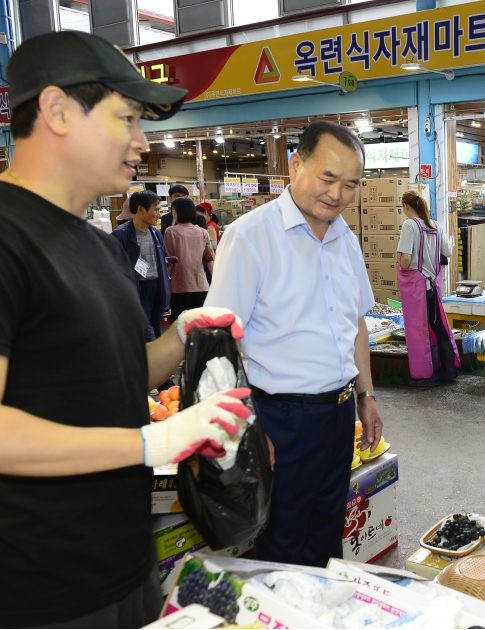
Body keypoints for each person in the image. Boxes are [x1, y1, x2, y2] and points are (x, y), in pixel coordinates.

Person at [0, 30, 251, 628]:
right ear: (57, 110)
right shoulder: (7, 239)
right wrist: (149, 444)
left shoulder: (95, 245)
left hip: (122, 568)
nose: (142, 142)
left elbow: (111, 376)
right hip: (37, 592)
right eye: (128, 118)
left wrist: (179, 338)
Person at [206, 121, 384, 568]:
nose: (338, 194)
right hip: (281, 420)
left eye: (350, 185)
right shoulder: (250, 237)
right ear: (295, 164)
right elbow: (216, 342)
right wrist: (247, 426)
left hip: (339, 413)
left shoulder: (344, 237)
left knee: (327, 531)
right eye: (328, 179)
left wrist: (366, 395)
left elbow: (356, 323)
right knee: (283, 540)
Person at [396, 190, 459, 386]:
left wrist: (406, 267)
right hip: (433, 284)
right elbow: (448, 251)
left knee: (419, 330)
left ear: (406, 207)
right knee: (438, 326)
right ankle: (448, 370)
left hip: (416, 287)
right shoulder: (436, 225)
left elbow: (405, 259)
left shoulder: (410, 225)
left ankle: (426, 375)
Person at [112, 190, 171, 342]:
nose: (159, 214)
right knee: (147, 336)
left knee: (155, 333)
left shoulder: (156, 233)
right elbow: (113, 270)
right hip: (136, 290)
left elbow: (163, 259)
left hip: (156, 289)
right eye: (156, 210)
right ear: (140, 210)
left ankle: (148, 364)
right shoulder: (121, 235)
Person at [165, 197, 214, 321]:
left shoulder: (171, 232)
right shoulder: (203, 232)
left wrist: (165, 283)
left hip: (179, 287)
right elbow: (209, 260)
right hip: (202, 287)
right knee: (200, 327)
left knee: (181, 329)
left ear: (177, 211)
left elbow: (170, 262)